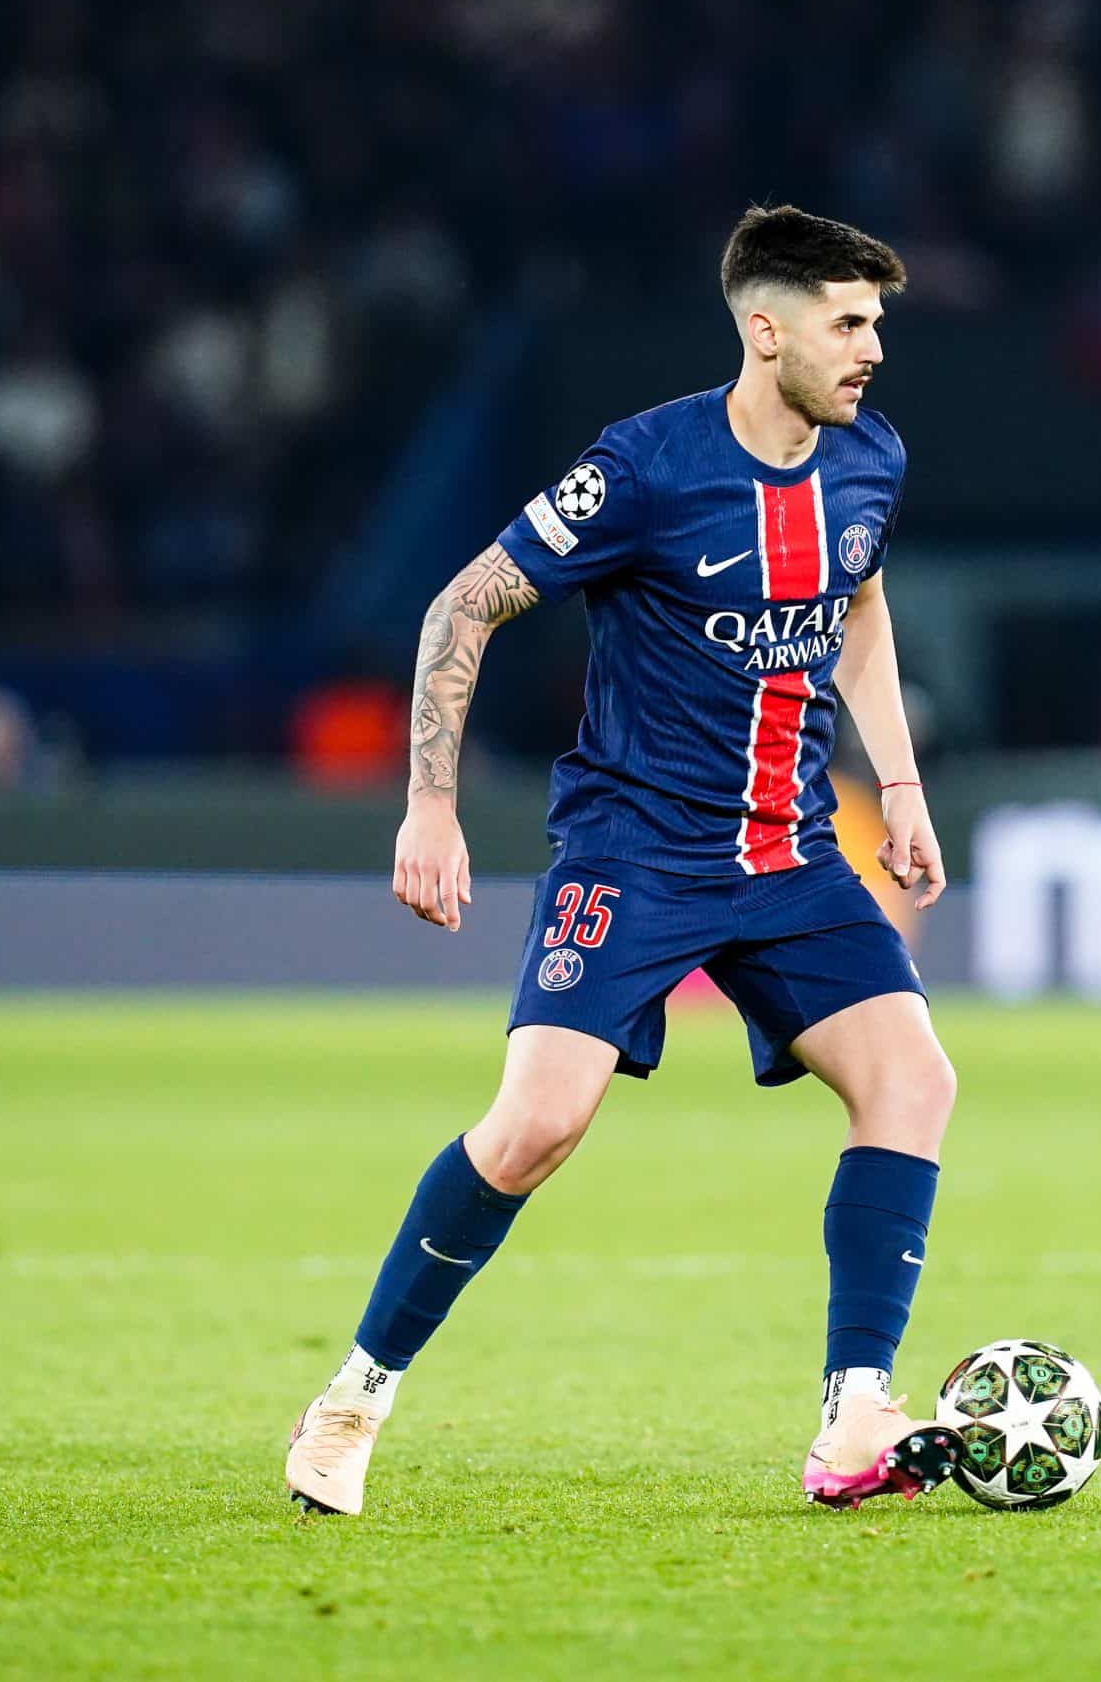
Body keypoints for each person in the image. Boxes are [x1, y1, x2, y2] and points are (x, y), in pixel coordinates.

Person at [285, 207, 958, 1516]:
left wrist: (901, 783)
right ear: (766, 331)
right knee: (538, 1124)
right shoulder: (645, 467)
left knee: (914, 1079)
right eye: (847, 322)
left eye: (876, 321)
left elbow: (860, 602)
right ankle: (354, 1396)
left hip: (790, 854)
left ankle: (855, 1414)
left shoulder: (870, 457)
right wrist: (429, 805)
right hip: (636, 851)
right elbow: (464, 604)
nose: (873, 347)